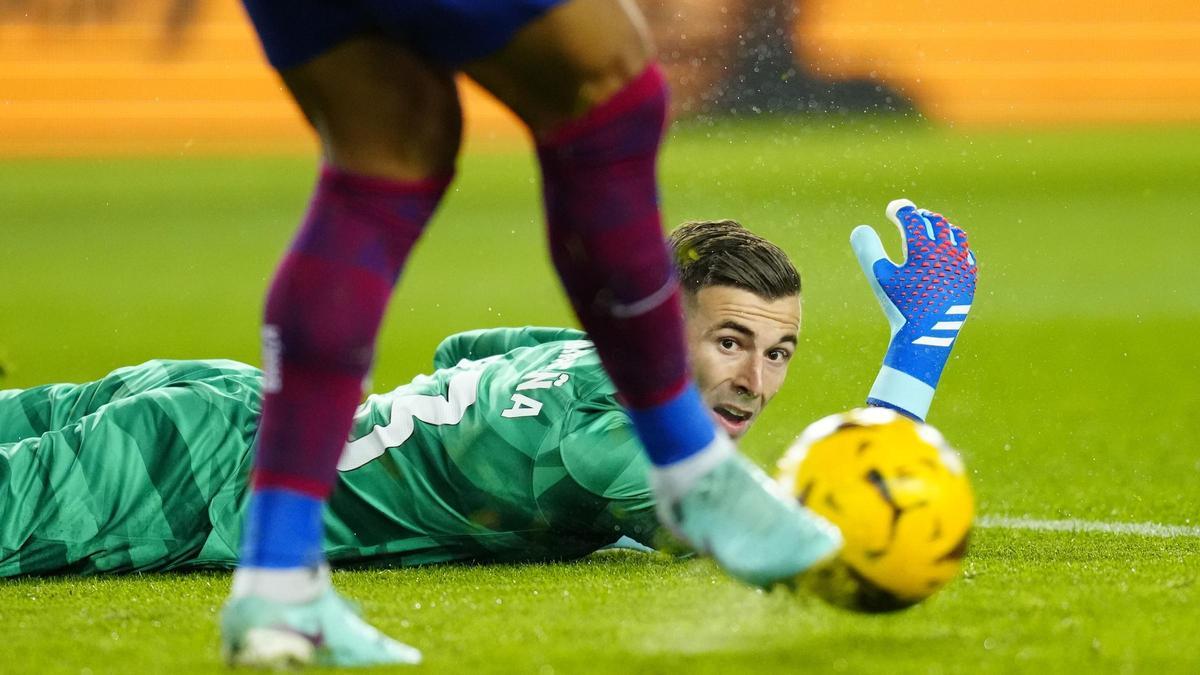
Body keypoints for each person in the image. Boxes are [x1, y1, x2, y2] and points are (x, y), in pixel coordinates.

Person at [1, 203, 976, 664]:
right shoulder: (615, 443)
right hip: (186, 478)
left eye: (779, 353)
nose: (755, 381)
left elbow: (469, 349)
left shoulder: (573, 357)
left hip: (225, 406)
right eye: (729, 342)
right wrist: (915, 364)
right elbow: (782, 535)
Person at [232, 0, 841, 666]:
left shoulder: (557, 381)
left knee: (384, 156)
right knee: (608, 97)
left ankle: (280, 578)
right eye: (730, 343)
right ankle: (694, 469)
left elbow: (460, 351)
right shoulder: (595, 446)